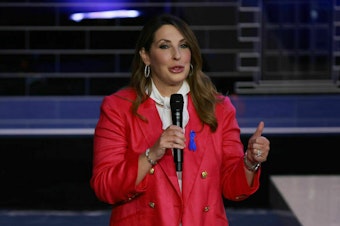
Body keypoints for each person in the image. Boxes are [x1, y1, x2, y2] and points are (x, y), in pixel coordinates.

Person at [90, 13, 270, 226]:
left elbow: (234, 190)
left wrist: (250, 162)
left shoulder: (218, 108)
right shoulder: (118, 108)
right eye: (165, 46)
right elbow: (105, 187)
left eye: (183, 46)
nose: (177, 55)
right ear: (146, 56)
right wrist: (151, 154)